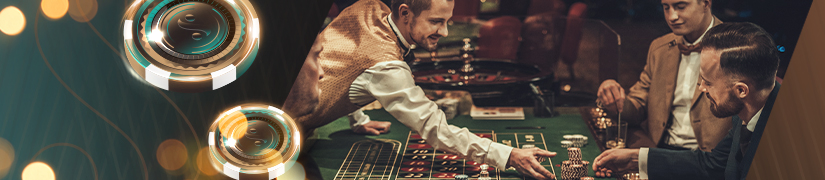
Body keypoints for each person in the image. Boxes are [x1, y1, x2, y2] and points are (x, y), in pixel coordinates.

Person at [282, 0, 557, 179]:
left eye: (447, 21)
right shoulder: (386, 64)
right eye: (436, 22)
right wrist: (508, 155)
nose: (445, 32)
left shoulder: (368, 7)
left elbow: (342, 57)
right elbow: (434, 128)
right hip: (279, 135)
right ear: (405, 13)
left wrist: (358, 118)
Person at [592, 22, 781, 180]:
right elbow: (714, 164)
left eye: (708, 82)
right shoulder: (746, 111)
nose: (702, 88)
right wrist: (635, 158)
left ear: (741, 90)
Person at [597, 0, 731, 152]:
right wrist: (615, 99)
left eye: (681, 7)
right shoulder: (659, 47)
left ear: (706, 3)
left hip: (710, 158)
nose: (672, 16)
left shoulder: (735, 47)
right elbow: (637, 105)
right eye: (666, 8)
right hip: (660, 150)